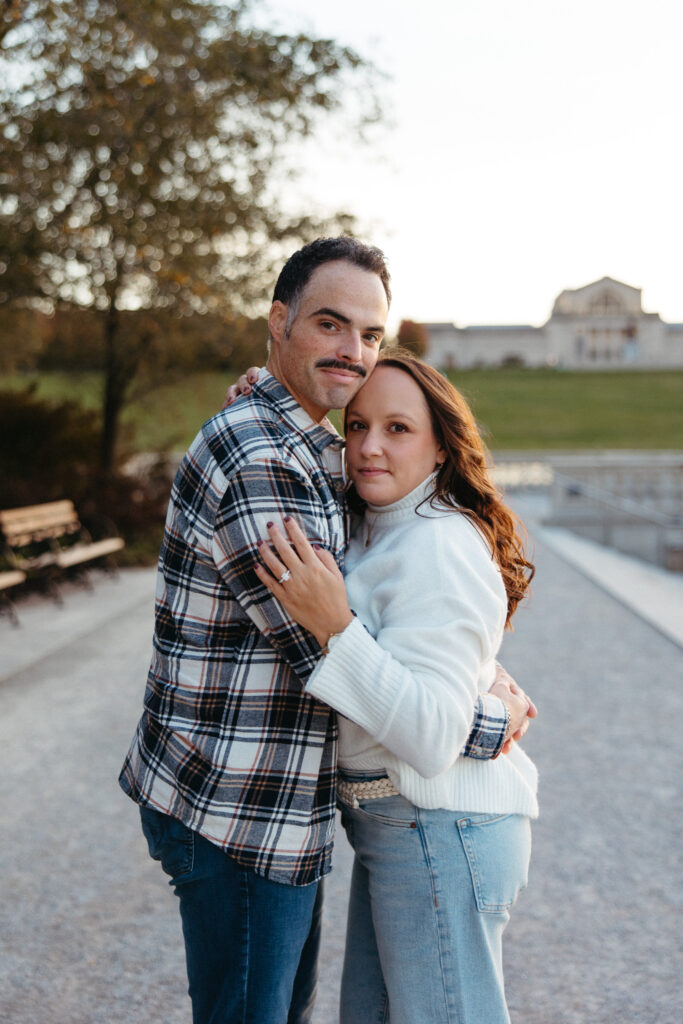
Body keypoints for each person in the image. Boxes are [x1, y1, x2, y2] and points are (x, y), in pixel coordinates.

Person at [120, 236, 533, 1024]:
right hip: (237, 807)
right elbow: (333, 657)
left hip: (270, 807)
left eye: (370, 335)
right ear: (279, 322)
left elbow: (365, 626)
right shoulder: (262, 459)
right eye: (330, 326)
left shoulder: (301, 444)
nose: (352, 352)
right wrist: (491, 717)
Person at [254, 351, 539, 1024]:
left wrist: (336, 627)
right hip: (401, 830)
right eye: (356, 427)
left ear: (441, 446)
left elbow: (431, 735)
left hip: (441, 828)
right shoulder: (384, 526)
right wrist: (265, 391)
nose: (368, 448)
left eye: (397, 429)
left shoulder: (436, 542)